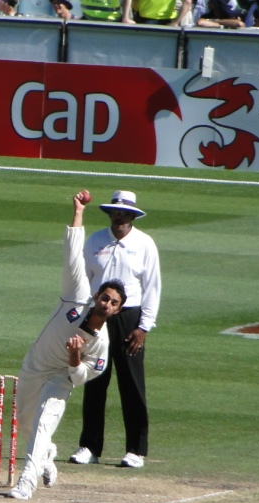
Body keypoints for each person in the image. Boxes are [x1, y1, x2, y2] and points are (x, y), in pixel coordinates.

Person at [8, 192, 127, 501]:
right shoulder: (76, 295)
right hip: (35, 365)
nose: (106, 303)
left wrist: (75, 357)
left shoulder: (100, 345)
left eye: (114, 303)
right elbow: (72, 253)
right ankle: (47, 457)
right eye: (105, 297)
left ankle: (26, 482)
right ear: (97, 295)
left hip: (61, 377)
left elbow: (81, 377)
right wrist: (78, 211)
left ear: (116, 310)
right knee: (24, 424)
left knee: (44, 422)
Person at [70, 190, 161, 470]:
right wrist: (82, 316)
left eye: (125, 213)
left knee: (132, 385)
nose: (120, 217)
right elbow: (82, 278)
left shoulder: (144, 244)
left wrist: (143, 327)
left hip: (129, 318)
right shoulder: (96, 240)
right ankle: (89, 446)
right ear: (110, 214)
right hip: (97, 315)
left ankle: (135, 449)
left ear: (133, 216)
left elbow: (153, 288)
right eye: (116, 212)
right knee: (94, 380)